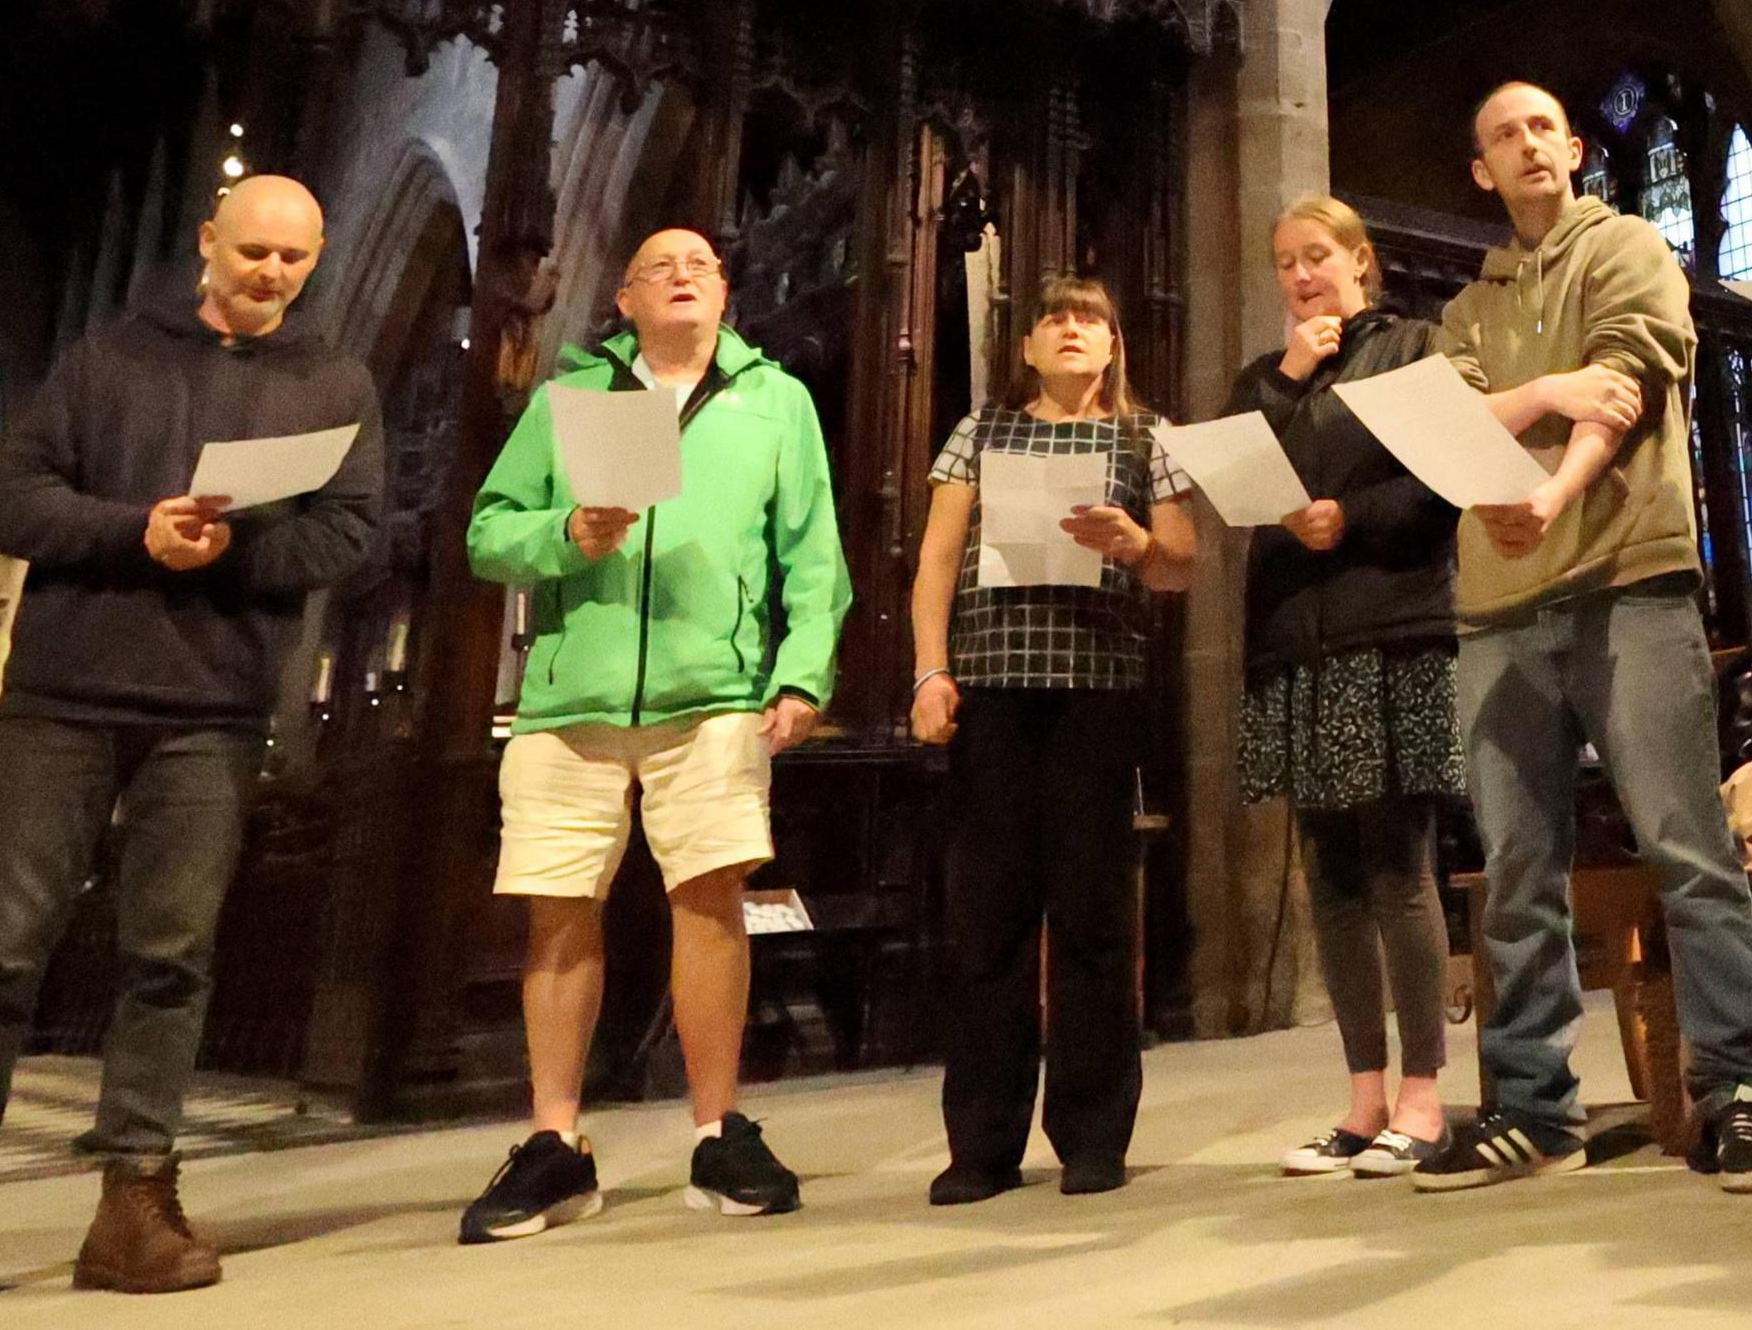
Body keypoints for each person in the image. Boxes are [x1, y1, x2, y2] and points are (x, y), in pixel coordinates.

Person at [0, 179, 378, 1330]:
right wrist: (135, 530)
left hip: (214, 710)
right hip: (66, 699)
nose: (272, 273)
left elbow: (352, 528)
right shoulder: (105, 358)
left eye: (294, 258)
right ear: (208, 244)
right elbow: (16, 502)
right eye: (254, 252)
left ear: (317, 258)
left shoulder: (332, 382)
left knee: (172, 961)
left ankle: (134, 1206)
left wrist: (232, 548)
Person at [1415, 80, 1752, 1193]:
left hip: (1628, 578)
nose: (1528, 144)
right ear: (1480, 171)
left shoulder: (1629, 247)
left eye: (1544, 127)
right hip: (1496, 605)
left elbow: (1624, 389)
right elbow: (1454, 421)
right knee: (1517, 868)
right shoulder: (1468, 306)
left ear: (1574, 149)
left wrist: (1554, 492)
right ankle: (1534, 1105)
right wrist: (1543, 389)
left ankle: (1737, 1088)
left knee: (1686, 845)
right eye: (1503, 135)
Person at [455, 228, 846, 1242]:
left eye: (703, 266)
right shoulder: (571, 400)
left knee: (710, 897)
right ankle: (554, 1143)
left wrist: (801, 675)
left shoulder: (775, 402)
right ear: (625, 299)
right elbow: (488, 533)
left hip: (712, 689)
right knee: (560, 908)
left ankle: (719, 1129)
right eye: (659, 266)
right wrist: (567, 535)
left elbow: (813, 556)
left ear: (724, 296)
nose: (683, 275)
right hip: (572, 696)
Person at [907, 273, 1197, 1201]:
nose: (1073, 330)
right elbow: (937, 560)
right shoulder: (981, 431)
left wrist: (1139, 545)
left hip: (1097, 692)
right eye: (1055, 319)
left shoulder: (1148, 436)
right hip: (993, 691)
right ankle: (982, 1146)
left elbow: (1183, 567)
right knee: (988, 919)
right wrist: (929, 669)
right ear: (1027, 346)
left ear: (1114, 345)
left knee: (1093, 915)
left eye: (1092, 320)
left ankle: (1093, 1134)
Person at [1224, 201, 1460, 1179]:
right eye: (1284, 262)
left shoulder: (1412, 348)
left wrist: (1348, 517)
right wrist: (1287, 377)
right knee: (1327, 874)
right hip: (1295, 639)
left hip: (1388, 625)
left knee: (1398, 868)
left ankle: (1424, 1096)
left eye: (1315, 256)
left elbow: (1439, 483)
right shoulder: (1264, 379)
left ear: (1359, 260)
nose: (1299, 276)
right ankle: (1362, 1097)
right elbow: (1240, 475)